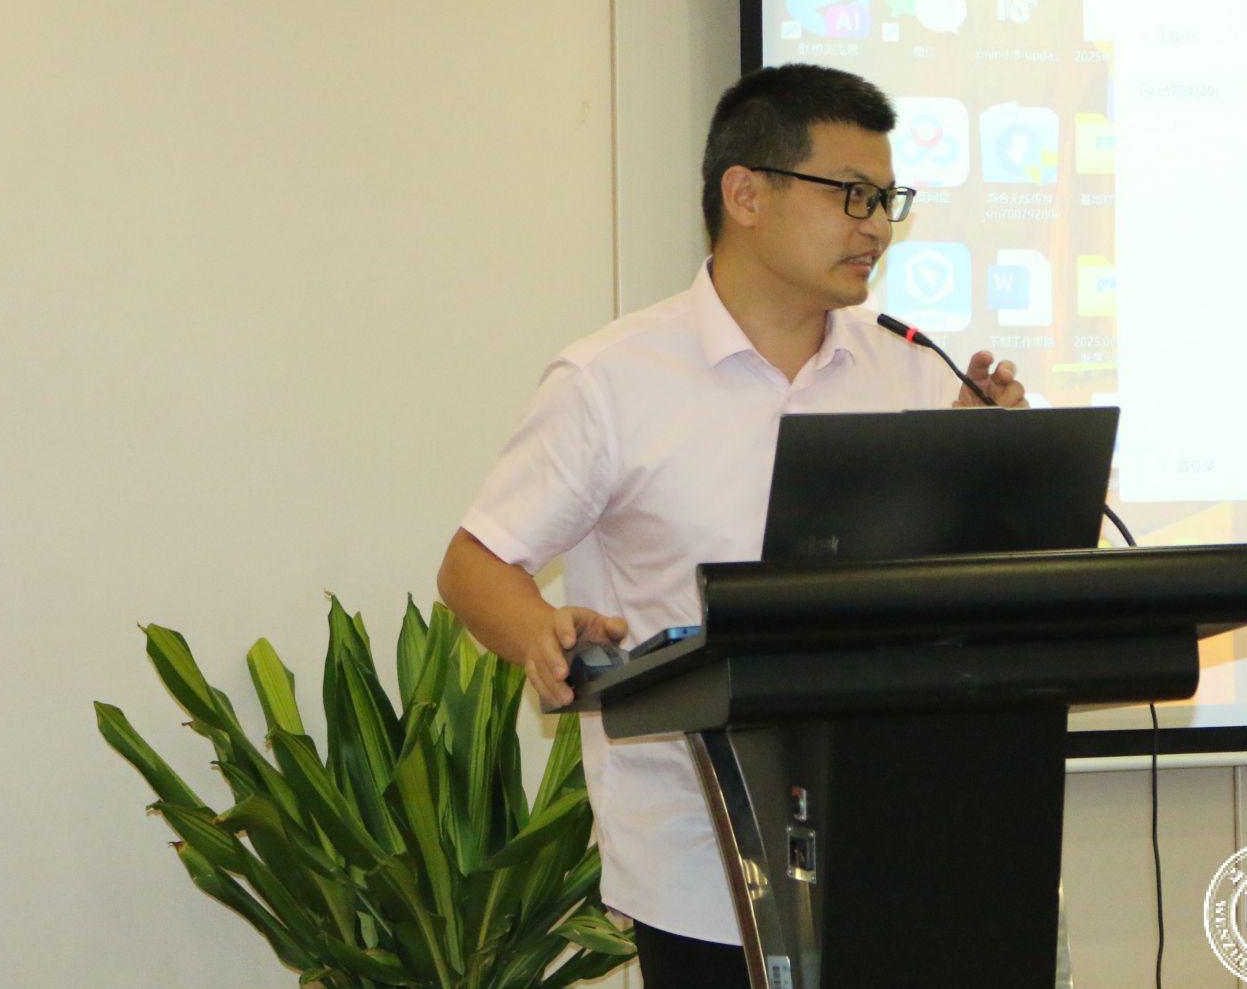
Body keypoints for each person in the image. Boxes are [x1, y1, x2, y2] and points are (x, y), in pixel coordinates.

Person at [436, 63, 1024, 987]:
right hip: (702, 865)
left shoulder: (915, 370)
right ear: (745, 194)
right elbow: (474, 564)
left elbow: (951, 589)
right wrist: (541, 632)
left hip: (900, 839)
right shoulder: (612, 380)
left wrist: (989, 471)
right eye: (853, 195)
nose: (877, 226)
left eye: (887, 199)